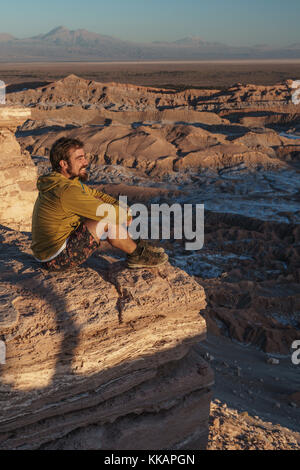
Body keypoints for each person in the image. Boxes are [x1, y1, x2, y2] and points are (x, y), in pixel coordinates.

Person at [31, 137, 168, 271]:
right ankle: (137, 254)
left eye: (84, 157)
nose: (85, 162)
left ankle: (136, 249)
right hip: (54, 259)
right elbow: (107, 212)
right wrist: (125, 214)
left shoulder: (63, 182)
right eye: (79, 159)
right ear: (63, 164)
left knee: (103, 211)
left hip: (48, 252)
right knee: (106, 218)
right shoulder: (67, 191)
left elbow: (97, 194)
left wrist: (120, 206)